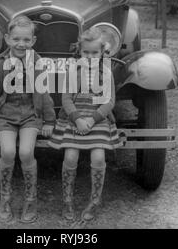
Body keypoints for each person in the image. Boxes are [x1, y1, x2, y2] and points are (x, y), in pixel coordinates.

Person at [0, 15, 56, 223]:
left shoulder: (38, 63)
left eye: (26, 40)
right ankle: (5, 199)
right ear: (7, 39)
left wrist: (49, 121)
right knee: (7, 152)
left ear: (33, 41)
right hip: (6, 115)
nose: (20, 44)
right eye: (16, 39)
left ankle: (30, 200)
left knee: (26, 152)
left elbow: (44, 94)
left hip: (30, 116)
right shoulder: (0, 63)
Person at [48, 27, 122, 222]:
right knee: (70, 156)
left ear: (102, 52)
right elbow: (66, 99)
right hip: (76, 119)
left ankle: (94, 201)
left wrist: (92, 119)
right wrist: (78, 119)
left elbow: (110, 101)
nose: (90, 57)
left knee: (98, 158)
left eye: (94, 53)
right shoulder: (74, 71)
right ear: (79, 52)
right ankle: (67, 200)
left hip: (96, 120)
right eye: (85, 52)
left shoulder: (106, 72)